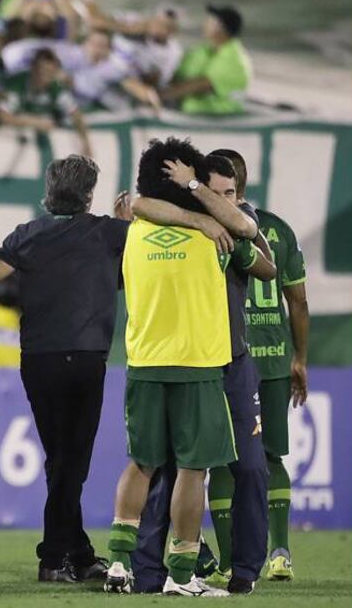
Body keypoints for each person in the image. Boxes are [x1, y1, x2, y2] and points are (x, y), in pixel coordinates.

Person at [0, 155, 129, 583]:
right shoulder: (111, 234)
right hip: (87, 359)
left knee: (60, 460)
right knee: (70, 462)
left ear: (50, 188)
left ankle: (76, 554)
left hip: (38, 361)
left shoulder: (27, 236)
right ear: (89, 194)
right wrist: (127, 222)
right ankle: (54, 557)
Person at [130, 151, 276, 595]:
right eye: (218, 193)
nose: (225, 201)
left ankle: (246, 569)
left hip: (232, 363)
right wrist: (201, 211)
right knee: (168, 470)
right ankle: (152, 572)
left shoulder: (235, 226)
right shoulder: (183, 224)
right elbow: (137, 204)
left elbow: (268, 268)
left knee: (251, 468)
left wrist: (219, 214)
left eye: (230, 194)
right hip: (190, 362)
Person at [102, 138, 237, 597]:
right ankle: (181, 576)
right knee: (192, 471)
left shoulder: (132, 232)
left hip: (143, 363)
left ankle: (119, 565)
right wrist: (198, 192)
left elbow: (139, 204)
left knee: (141, 463)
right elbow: (242, 225)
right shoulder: (212, 233)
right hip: (197, 363)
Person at [229, 151, 309, 582]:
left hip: (229, 358)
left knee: (225, 461)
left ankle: (228, 559)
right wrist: (301, 356)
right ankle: (280, 552)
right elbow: (298, 300)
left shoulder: (214, 225)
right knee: (273, 455)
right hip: (277, 358)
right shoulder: (278, 228)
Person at [0, 48, 92, 158]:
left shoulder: (56, 88)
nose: (46, 77)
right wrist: (34, 122)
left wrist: (85, 142)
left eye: (51, 73)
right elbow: (2, 115)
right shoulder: (18, 84)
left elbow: (76, 114)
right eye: (42, 71)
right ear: (33, 68)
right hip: (10, 144)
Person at [163, 5, 252, 115]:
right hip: (189, 107)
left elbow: (201, 85)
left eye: (210, 22)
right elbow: (179, 72)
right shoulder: (205, 50)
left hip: (221, 114)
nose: (204, 24)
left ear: (221, 28)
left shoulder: (235, 59)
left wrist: (161, 95)